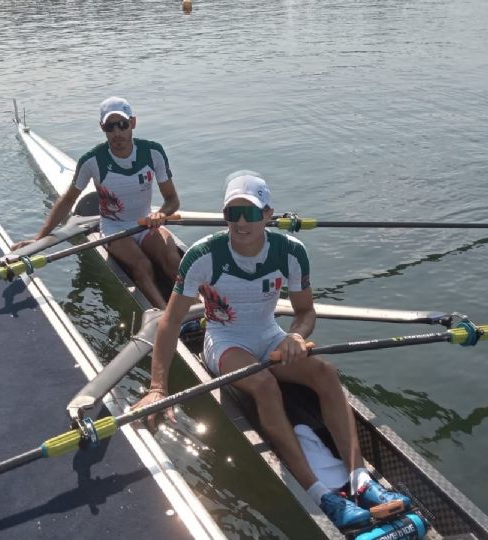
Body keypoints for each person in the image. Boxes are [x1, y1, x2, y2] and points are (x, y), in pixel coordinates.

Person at [133, 172, 411, 529]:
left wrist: (296, 336)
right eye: (234, 213)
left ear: (268, 214)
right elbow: (170, 323)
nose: (242, 222)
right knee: (264, 385)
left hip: (269, 334)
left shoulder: (291, 252)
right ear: (225, 217)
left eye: (251, 213)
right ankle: (318, 493)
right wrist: (158, 387)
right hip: (224, 340)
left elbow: (306, 312)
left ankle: (360, 479)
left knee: (326, 372)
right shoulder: (203, 256)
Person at [11, 97, 181, 307]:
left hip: (146, 223)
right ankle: (166, 318)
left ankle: (198, 308)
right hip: (114, 228)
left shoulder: (153, 152)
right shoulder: (92, 161)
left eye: (123, 124)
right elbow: (68, 201)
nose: (117, 132)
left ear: (133, 123)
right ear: (102, 128)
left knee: (173, 260)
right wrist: (39, 238)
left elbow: (172, 200)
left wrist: (162, 214)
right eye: (110, 127)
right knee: (142, 265)